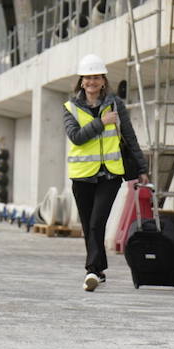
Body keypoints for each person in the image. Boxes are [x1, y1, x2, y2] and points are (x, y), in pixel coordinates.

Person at [63, 53, 149, 292]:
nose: (92, 82)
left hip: (110, 174)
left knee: (97, 222)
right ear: (81, 82)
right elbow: (76, 137)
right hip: (82, 175)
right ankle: (99, 269)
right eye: (87, 78)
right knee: (88, 224)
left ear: (103, 81)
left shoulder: (115, 105)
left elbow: (129, 137)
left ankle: (91, 270)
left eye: (96, 77)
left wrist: (142, 169)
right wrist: (102, 122)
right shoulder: (70, 108)